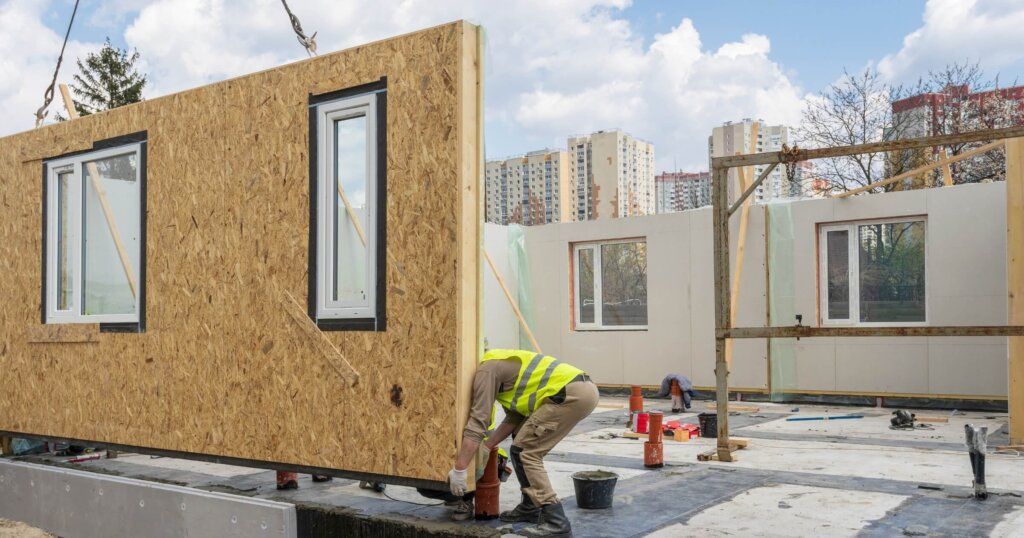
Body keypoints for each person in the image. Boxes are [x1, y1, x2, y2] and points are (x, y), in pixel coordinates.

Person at [448, 349, 598, 538]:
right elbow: (515, 416)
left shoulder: (487, 371)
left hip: (569, 394)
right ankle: (530, 506)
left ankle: (556, 522)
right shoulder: (501, 365)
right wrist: (487, 446)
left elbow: (479, 421)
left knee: (528, 451)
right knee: (519, 449)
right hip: (579, 390)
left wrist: (460, 469)